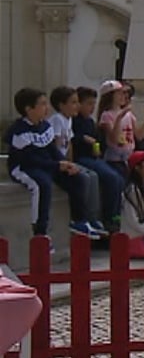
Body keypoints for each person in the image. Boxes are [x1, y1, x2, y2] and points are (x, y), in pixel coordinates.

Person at [3, 87, 97, 241]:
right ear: (29, 109)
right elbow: (29, 159)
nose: (46, 108)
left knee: (78, 178)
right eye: (42, 104)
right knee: (42, 185)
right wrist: (55, 166)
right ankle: (40, 231)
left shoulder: (45, 126)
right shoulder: (18, 130)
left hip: (47, 165)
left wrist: (64, 163)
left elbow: (52, 149)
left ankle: (79, 221)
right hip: (25, 168)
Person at [48, 85, 107, 237]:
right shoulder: (56, 120)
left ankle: (92, 218)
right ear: (62, 105)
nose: (77, 106)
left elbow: (69, 146)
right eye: (73, 102)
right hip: (56, 163)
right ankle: (79, 219)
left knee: (92, 176)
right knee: (83, 178)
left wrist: (72, 162)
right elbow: (55, 146)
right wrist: (64, 164)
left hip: (66, 163)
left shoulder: (68, 121)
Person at [71, 86, 126, 232]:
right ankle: (108, 217)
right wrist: (82, 139)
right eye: (89, 104)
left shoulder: (89, 122)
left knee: (119, 178)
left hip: (94, 157)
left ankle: (116, 215)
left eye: (93, 104)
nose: (92, 107)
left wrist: (98, 147)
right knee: (111, 177)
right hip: (81, 157)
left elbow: (98, 140)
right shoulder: (73, 121)